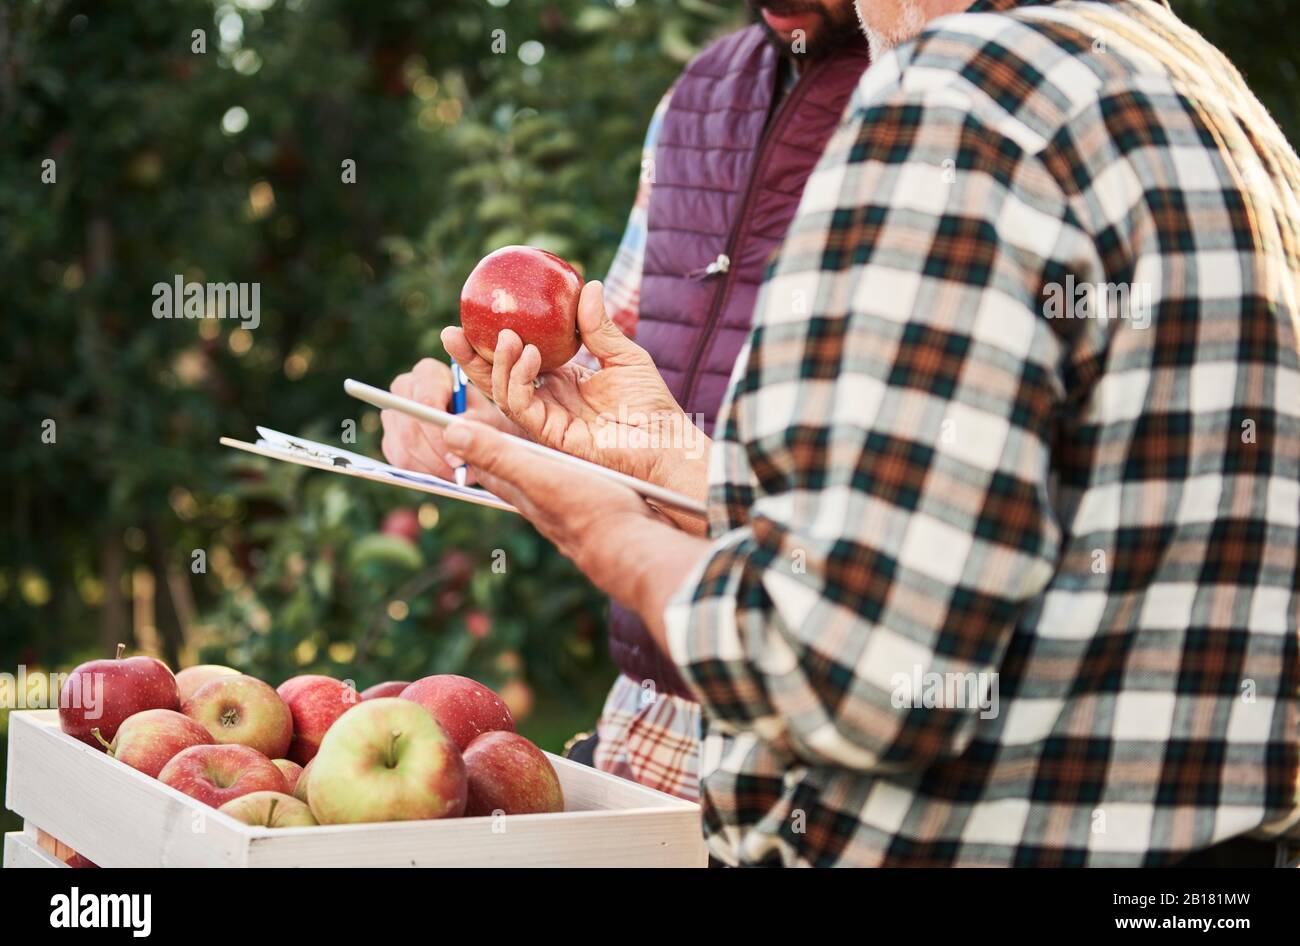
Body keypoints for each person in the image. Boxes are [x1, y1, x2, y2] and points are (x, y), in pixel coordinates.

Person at [435, 0, 1300, 866]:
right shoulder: (1200, 88)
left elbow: (851, 677)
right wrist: (667, 454)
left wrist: (603, 528)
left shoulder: (958, 98)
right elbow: (974, 539)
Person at [382, 1, 871, 801]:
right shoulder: (696, 100)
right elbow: (605, 372)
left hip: (817, 752)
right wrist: (476, 408)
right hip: (649, 736)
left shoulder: (933, 112)